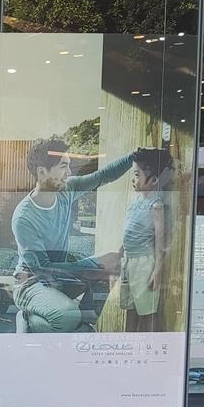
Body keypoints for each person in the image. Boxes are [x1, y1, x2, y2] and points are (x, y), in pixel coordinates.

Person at [12, 138, 135, 333]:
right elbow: (43, 268)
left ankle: (83, 320)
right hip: (32, 283)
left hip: (61, 278)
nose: (69, 173)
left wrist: (134, 157)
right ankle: (28, 320)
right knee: (67, 315)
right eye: (63, 166)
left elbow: (102, 176)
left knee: (114, 263)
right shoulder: (24, 217)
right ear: (42, 172)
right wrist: (93, 264)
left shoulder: (67, 190)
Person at [114, 148, 172, 332]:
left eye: (137, 175)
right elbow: (128, 232)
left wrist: (157, 270)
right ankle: (128, 344)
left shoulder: (156, 205)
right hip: (129, 261)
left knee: (147, 311)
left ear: (153, 180)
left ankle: (148, 345)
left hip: (144, 264)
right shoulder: (135, 202)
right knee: (130, 309)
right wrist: (119, 256)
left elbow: (160, 242)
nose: (133, 179)